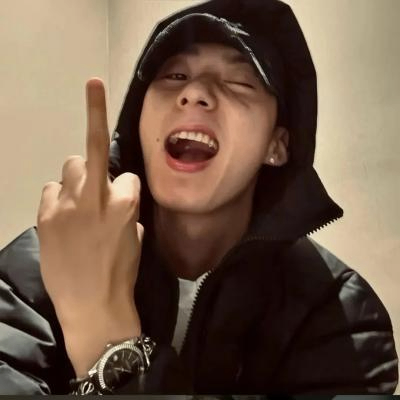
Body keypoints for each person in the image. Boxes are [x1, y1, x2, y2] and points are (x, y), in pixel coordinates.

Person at [0, 0, 397, 395]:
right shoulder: (41, 266)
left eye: (239, 82)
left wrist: (106, 341)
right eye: (174, 75)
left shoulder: (337, 314)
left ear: (276, 145)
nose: (194, 92)